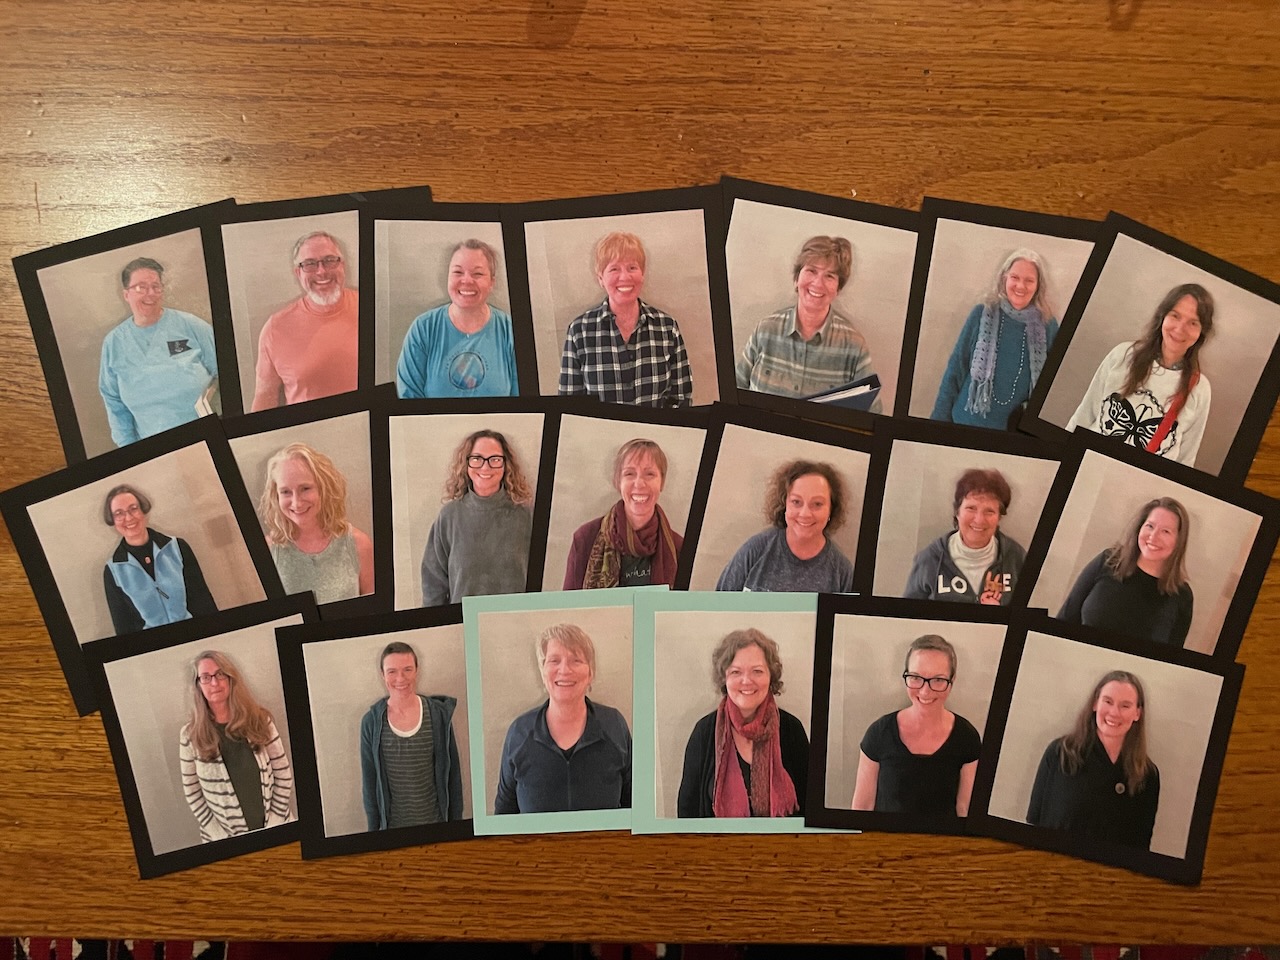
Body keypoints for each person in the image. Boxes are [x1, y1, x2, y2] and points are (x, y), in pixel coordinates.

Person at [1066, 284, 1215, 466]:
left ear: (1202, 331)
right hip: (1090, 465)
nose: (1180, 328)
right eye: (1175, 316)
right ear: (1163, 316)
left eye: (1193, 323)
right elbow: (1084, 415)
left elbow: (1185, 460)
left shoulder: (1200, 388)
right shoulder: (1122, 355)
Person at [494, 623, 631, 814]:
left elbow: (634, 807)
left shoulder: (614, 726)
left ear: (590, 673)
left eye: (576, 660)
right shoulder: (519, 733)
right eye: (554, 660)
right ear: (542, 671)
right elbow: (504, 815)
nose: (564, 670)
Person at [734, 235, 882, 411]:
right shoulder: (765, 330)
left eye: (829, 276)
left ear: (838, 288)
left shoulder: (854, 347)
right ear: (797, 278)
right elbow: (734, 395)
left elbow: (872, 415)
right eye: (811, 270)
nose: (818, 283)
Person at [677, 628, 808, 818]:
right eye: (736, 672)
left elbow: (810, 807)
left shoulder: (792, 730)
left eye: (757, 671)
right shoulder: (704, 733)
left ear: (771, 676)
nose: (746, 681)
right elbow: (687, 813)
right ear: (724, 677)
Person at [558, 231, 693, 408]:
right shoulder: (580, 331)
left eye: (632, 268)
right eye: (614, 269)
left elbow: (681, 399)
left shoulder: (667, 328)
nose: (625, 277)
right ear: (601, 278)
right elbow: (569, 407)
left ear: (642, 274)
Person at [851, 635, 981, 818]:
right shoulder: (879, 733)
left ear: (952, 680)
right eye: (915, 677)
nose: (925, 691)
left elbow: (965, 810)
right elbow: (862, 808)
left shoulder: (967, 737)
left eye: (938, 680)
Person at [1027, 670, 1159, 849]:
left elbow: (1141, 846)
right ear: (1095, 703)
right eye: (1108, 701)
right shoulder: (1060, 753)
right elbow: (1033, 823)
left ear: (1138, 713)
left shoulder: (1147, 774)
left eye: (1125, 706)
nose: (1114, 712)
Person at [932, 249, 1059, 430]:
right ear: (1004, 278)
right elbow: (955, 370)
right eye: (1015, 277)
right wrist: (936, 426)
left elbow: (1051, 390)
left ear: (1038, 285)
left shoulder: (1048, 325)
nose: (1020, 286)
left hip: (1012, 434)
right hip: (965, 425)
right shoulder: (981, 314)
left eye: (1029, 280)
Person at [99, 256, 219, 447]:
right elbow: (113, 401)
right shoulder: (114, 343)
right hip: (153, 448)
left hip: (206, 437)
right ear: (126, 294)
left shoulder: (192, 326)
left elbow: (227, 374)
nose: (150, 294)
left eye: (156, 287)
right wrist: (129, 449)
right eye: (141, 287)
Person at [178, 650, 295, 842]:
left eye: (220, 674)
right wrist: (221, 837)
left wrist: (274, 825)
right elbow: (192, 792)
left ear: (230, 678)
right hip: (222, 840)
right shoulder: (190, 735)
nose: (214, 683)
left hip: (278, 828)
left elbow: (283, 775)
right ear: (198, 685)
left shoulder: (260, 721)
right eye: (206, 677)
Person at [1057, 497, 1194, 647]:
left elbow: (1170, 657)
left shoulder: (1182, 596)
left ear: (1179, 541)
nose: (1153, 536)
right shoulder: (1108, 561)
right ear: (1139, 528)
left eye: (1166, 531)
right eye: (1150, 526)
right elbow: (1065, 619)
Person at [421, 429, 534, 606]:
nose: (485, 467)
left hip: (513, 618)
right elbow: (433, 586)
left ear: (506, 465)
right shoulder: (449, 517)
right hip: (462, 620)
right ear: (466, 463)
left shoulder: (525, 516)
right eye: (477, 459)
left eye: (495, 459)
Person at [396, 239, 519, 399]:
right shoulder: (423, 329)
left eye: (477, 274)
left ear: (492, 283)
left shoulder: (510, 332)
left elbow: (522, 404)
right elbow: (408, 401)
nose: (466, 280)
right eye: (458, 272)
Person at [360, 641, 464, 829]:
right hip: (394, 830)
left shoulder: (438, 716)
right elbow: (370, 785)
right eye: (392, 671)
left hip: (436, 824)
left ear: (417, 670)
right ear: (383, 674)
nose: (400, 678)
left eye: (407, 669)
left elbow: (453, 776)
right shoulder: (371, 723)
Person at [251, 231, 359, 410]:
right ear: (298, 273)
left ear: (343, 265)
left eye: (329, 260)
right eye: (309, 264)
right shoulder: (275, 329)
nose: (321, 271)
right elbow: (264, 399)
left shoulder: (372, 309)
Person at [259, 443, 374, 605]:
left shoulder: (358, 544)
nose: (296, 503)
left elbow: (375, 609)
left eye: (305, 488)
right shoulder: (268, 551)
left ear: (324, 489)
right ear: (275, 496)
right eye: (285, 492)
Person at [716, 460, 855, 593]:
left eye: (817, 504)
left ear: (831, 509)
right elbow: (718, 603)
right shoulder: (755, 550)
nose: (805, 514)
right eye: (796, 502)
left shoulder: (842, 572)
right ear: (784, 504)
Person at [563, 438, 683, 590]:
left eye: (649, 474)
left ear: (662, 482)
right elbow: (569, 603)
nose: (639, 483)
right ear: (618, 481)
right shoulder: (585, 538)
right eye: (629, 474)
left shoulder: (678, 548)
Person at [101, 484, 218, 635]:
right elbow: (123, 627)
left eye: (133, 509)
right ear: (113, 521)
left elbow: (203, 601)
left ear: (143, 511)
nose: (128, 518)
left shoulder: (178, 548)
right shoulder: (113, 571)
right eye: (119, 513)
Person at [903, 468, 1026, 606]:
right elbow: (908, 615)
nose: (979, 520)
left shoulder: (1016, 558)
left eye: (989, 511)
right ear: (957, 512)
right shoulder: (929, 559)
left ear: (999, 517)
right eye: (971, 508)